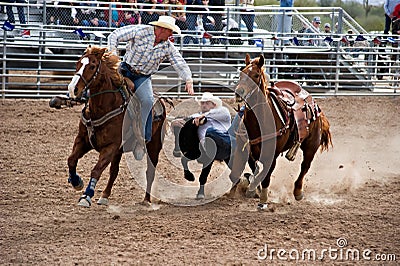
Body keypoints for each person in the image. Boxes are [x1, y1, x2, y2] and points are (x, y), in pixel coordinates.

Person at [108, 16, 194, 143]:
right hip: (124, 70)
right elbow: (114, 36)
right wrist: (113, 57)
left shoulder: (167, 46)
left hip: (142, 77)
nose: (171, 34)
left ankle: (143, 137)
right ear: (161, 29)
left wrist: (188, 79)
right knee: (102, 85)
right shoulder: (140, 31)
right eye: (170, 31)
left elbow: (179, 61)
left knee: (148, 101)